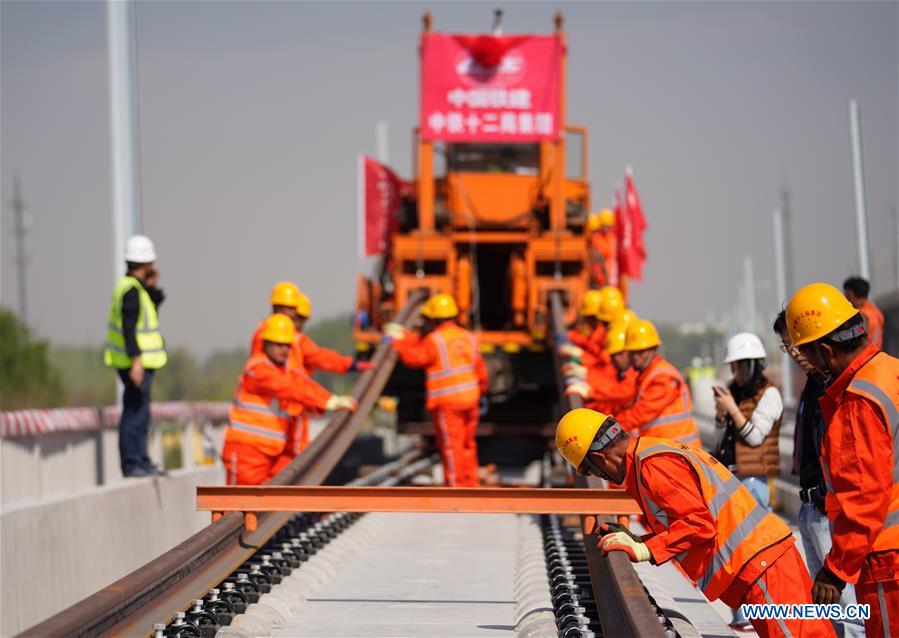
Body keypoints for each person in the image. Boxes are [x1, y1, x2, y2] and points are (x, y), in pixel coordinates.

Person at [556, 408, 834, 638]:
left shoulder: (652, 467)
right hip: (765, 560)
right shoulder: (649, 454)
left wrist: (647, 550)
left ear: (599, 458)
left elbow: (699, 524)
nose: (599, 475)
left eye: (592, 470)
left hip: (760, 566)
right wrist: (642, 540)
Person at [787, 283, 899, 637]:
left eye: (806, 353)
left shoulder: (857, 403)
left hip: (887, 558)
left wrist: (834, 571)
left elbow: (863, 500)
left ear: (825, 350)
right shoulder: (890, 371)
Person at [774, 311, 865, 637]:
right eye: (787, 346)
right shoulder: (813, 385)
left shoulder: (838, 385)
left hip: (832, 510)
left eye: (797, 343)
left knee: (850, 611)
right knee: (828, 610)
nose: (795, 352)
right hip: (811, 504)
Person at [223, 314, 357, 485]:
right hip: (247, 452)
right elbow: (291, 388)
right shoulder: (258, 369)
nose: (285, 350)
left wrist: (320, 406)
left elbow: (298, 388)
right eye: (279, 345)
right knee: (239, 505)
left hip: (270, 451)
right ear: (265, 343)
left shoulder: (282, 371)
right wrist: (328, 401)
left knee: (262, 507)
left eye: (287, 345)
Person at [712, 332, 783, 631]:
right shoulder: (735, 392)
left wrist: (731, 409)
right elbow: (724, 433)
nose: (735, 374)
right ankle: (742, 613)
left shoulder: (770, 395)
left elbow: (754, 437)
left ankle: (760, 610)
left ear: (753, 365)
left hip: (752, 481)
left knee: (754, 550)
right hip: (732, 478)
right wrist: (721, 412)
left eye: (739, 367)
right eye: (732, 368)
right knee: (732, 550)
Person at [251, 282, 369, 453]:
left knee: (293, 462)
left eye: (299, 316)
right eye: (291, 311)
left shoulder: (295, 338)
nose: (295, 318)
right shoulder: (266, 335)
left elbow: (320, 357)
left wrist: (350, 365)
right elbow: (283, 382)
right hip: (279, 411)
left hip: (294, 406)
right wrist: (327, 400)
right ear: (277, 307)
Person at [384, 293, 488, 487]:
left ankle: (456, 488)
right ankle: (470, 484)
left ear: (433, 319)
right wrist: (481, 391)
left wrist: (396, 342)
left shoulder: (435, 339)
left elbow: (416, 357)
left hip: (447, 402)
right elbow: (481, 369)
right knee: (467, 444)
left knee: (451, 446)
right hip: (470, 399)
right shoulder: (468, 337)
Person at [104, 235, 168, 478]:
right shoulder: (131, 291)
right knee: (135, 412)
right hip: (136, 363)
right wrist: (136, 361)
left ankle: (140, 459)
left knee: (141, 412)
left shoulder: (136, 288)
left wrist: (152, 284)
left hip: (139, 362)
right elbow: (128, 328)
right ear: (147, 262)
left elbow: (156, 302)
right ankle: (132, 462)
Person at [613, 319, 700, 447]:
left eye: (640, 352)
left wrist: (610, 427)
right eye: (632, 352)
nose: (635, 357)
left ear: (653, 350)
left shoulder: (663, 377)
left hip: (679, 453)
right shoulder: (646, 376)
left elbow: (641, 413)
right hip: (668, 450)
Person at [843, 276, 884, 350]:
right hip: (877, 353)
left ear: (850, 293)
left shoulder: (861, 315)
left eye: (845, 293)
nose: (844, 296)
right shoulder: (875, 310)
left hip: (867, 356)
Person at [587, 209, 618, 289]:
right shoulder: (596, 238)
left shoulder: (611, 238)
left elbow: (611, 255)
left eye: (608, 226)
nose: (606, 228)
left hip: (609, 272)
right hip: (598, 271)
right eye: (604, 226)